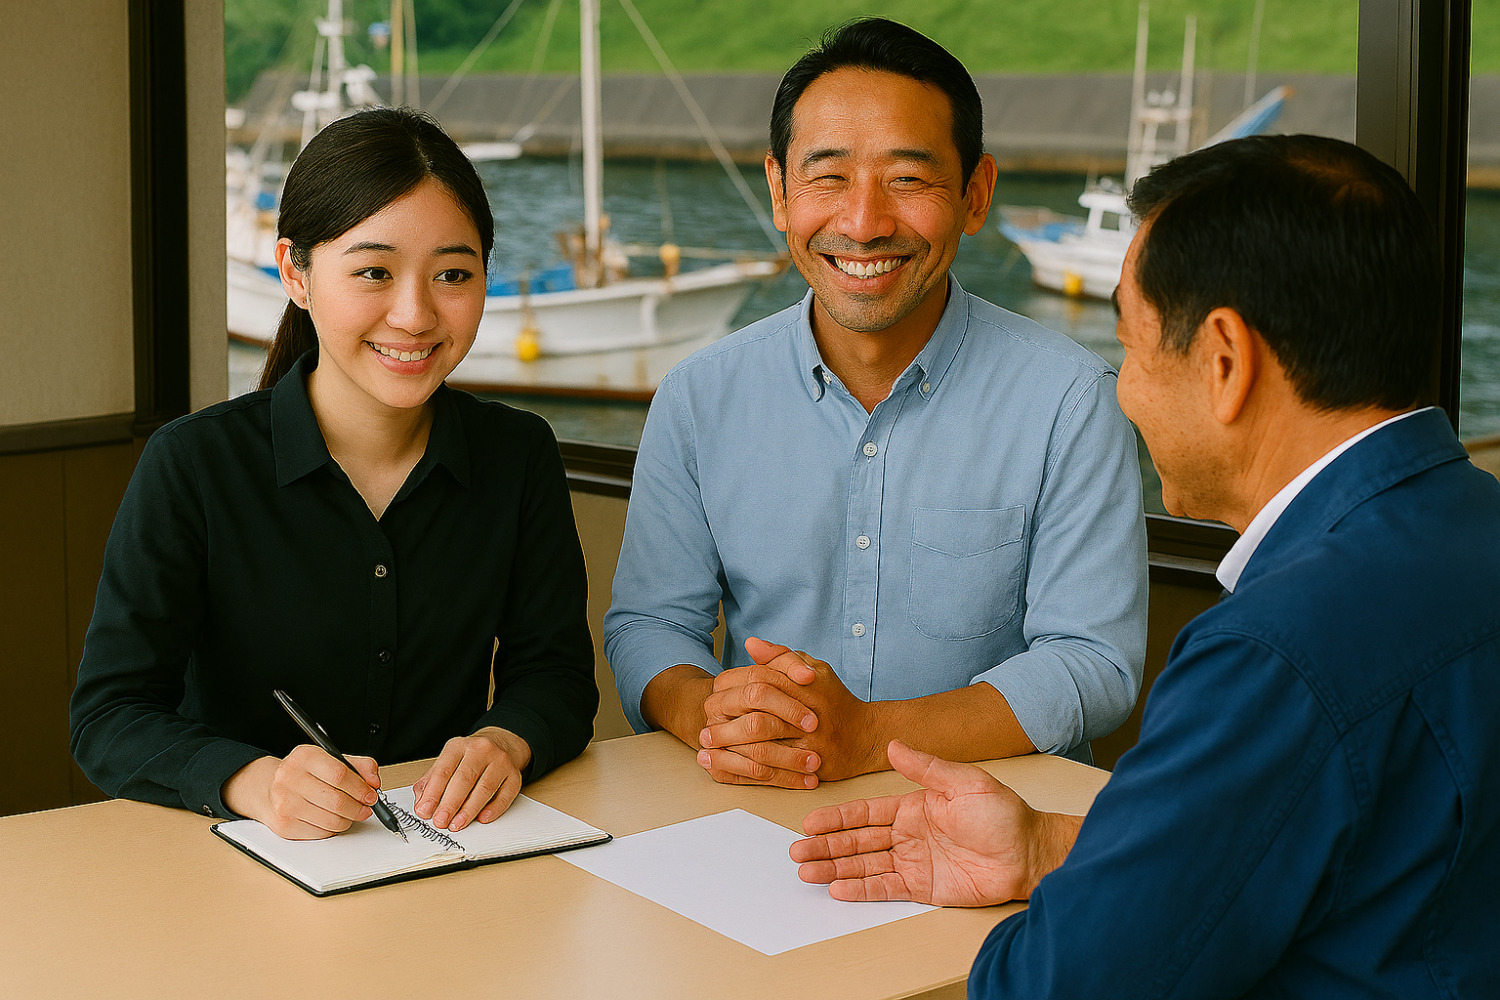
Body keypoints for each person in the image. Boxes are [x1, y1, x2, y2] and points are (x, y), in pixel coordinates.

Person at [791, 134, 1500, 998]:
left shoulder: (1276, 652)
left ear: (1225, 362)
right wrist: (1049, 848)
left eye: (1131, 345)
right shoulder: (1474, 530)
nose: (1124, 390)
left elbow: (1056, 986)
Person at [603, 17, 1146, 790]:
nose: (862, 224)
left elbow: (1092, 661)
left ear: (976, 195)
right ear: (779, 192)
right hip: (760, 807)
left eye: (908, 179)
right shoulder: (698, 397)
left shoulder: (1070, 399)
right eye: (827, 177)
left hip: (992, 819)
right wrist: (715, 714)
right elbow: (651, 624)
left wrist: (868, 736)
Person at [70, 107, 597, 840]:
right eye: (374, 271)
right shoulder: (193, 463)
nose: (414, 315)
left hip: (449, 849)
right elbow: (109, 716)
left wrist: (507, 739)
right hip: (236, 856)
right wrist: (255, 782)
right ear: (296, 272)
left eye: (452, 274)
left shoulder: (518, 453)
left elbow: (556, 674)